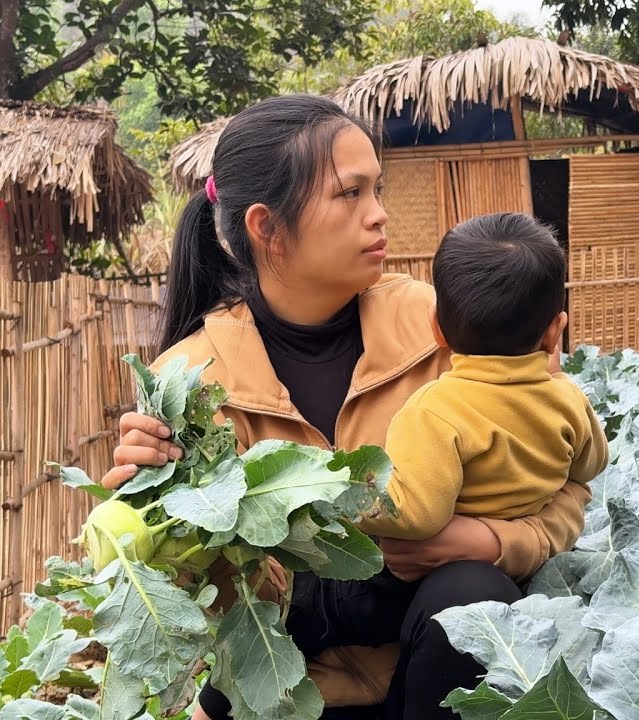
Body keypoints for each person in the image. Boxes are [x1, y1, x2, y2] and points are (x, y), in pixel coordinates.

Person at [98, 94, 591, 719]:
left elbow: (565, 481)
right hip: (284, 691)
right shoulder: (188, 382)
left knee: (473, 594)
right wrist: (153, 501)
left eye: (376, 191)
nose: (380, 216)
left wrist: (497, 541)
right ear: (266, 228)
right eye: (350, 194)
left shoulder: (448, 325)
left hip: (430, 676)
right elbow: (198, 601)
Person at [357, 212, 609, 544]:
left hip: (453, 578)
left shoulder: (432, 411)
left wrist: (342, 499)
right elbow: (592, 465)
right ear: (555, 333)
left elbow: (418, 514)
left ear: (435, 327)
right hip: (540, 568)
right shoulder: (569, 400)